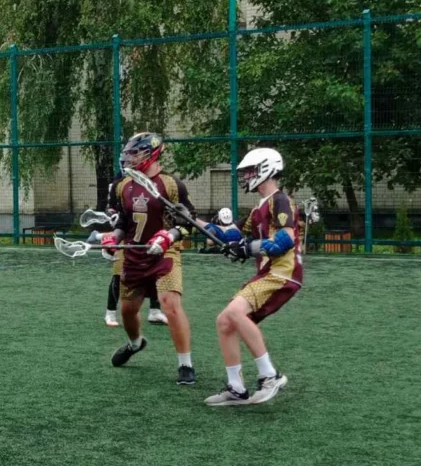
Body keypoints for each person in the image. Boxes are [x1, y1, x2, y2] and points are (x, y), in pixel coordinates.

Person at [205, 147, 301, 406]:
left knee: (235, 312)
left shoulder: (279, 200)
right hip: (268, 273)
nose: (246, 177)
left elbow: (285, 240)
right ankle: (236, 389)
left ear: (266, 169)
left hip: (282, 273)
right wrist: (192, 221)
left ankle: (270, 376)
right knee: (224, 321)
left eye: (250, 172)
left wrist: (247, 248)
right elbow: (230, 234)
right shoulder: (259, 207)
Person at [101, 132, 197, 386]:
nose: (129, 158)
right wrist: (113, 238)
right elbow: (123, 222)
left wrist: (169, 236)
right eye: (128, 153)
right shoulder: (123, 185)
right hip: (134, 254)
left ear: (151, 153)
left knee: (170, 304)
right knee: (127, 311)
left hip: (165, 253)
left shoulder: (171, 184)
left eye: (135, 153)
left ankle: (185, 364)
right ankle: (135, 343)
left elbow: (189, 221)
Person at [100, 171, 168, 328]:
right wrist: (113, 217)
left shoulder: (153, 183)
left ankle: (155, 310)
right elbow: (111, 208)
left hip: (148, 238)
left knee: (155, 273)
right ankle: (110, 312)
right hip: (127, 238)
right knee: (118, 276)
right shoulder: (121, 184)